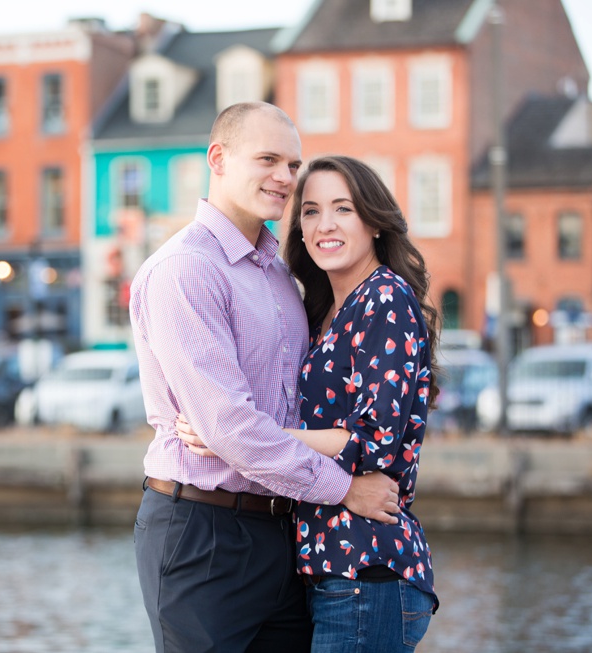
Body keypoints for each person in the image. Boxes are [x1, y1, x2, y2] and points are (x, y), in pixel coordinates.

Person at [129, 102, 401, 653]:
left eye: (293, 165)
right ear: (218, 159)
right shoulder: (187, 269)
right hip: (203, 532)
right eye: (268, 159)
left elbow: (293, 412)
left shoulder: (280, 275)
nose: (285, 178)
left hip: (284, 530)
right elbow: (229, 427)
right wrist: (346, 489)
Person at [178, 155, 441, 652]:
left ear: (374, 221)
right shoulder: (325, 311)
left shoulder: (384, 298)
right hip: (328, 570)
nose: (325, 226)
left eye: (343, 209)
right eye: (311, 211)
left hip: (368, 568)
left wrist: (238, 436)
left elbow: (376, 442)